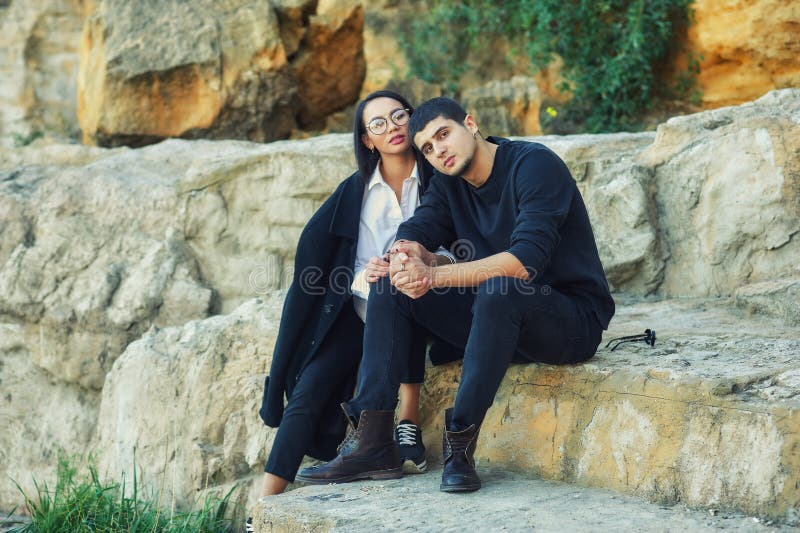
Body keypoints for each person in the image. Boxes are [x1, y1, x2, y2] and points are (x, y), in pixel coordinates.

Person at [296, 97, 615, 493]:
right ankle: (372, 441)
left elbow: (523, 263)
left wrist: (433, 276)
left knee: (501, 287)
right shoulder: (449, 183)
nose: (439, 150)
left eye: (444, 135)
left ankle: (460, 446)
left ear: (471, 123)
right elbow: (420, 226)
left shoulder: (534, 166)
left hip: (568, 322)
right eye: (427, 148)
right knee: (389, 285)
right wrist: (404, 256)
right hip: (497, 322)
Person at [256, 91, 461, 504]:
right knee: (308, 390)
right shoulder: (355, 195)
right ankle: (263, 504)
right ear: (367, 139)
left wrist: (423, 264)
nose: (392, 127)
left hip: (428, 297)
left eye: (398, 115)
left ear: (412, 119)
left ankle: (406, 420)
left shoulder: (441, 181)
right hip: (358, 306)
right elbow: (332, 264)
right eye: (378, 124)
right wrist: (365, 274)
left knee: (399, 290)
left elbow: (465, 241)